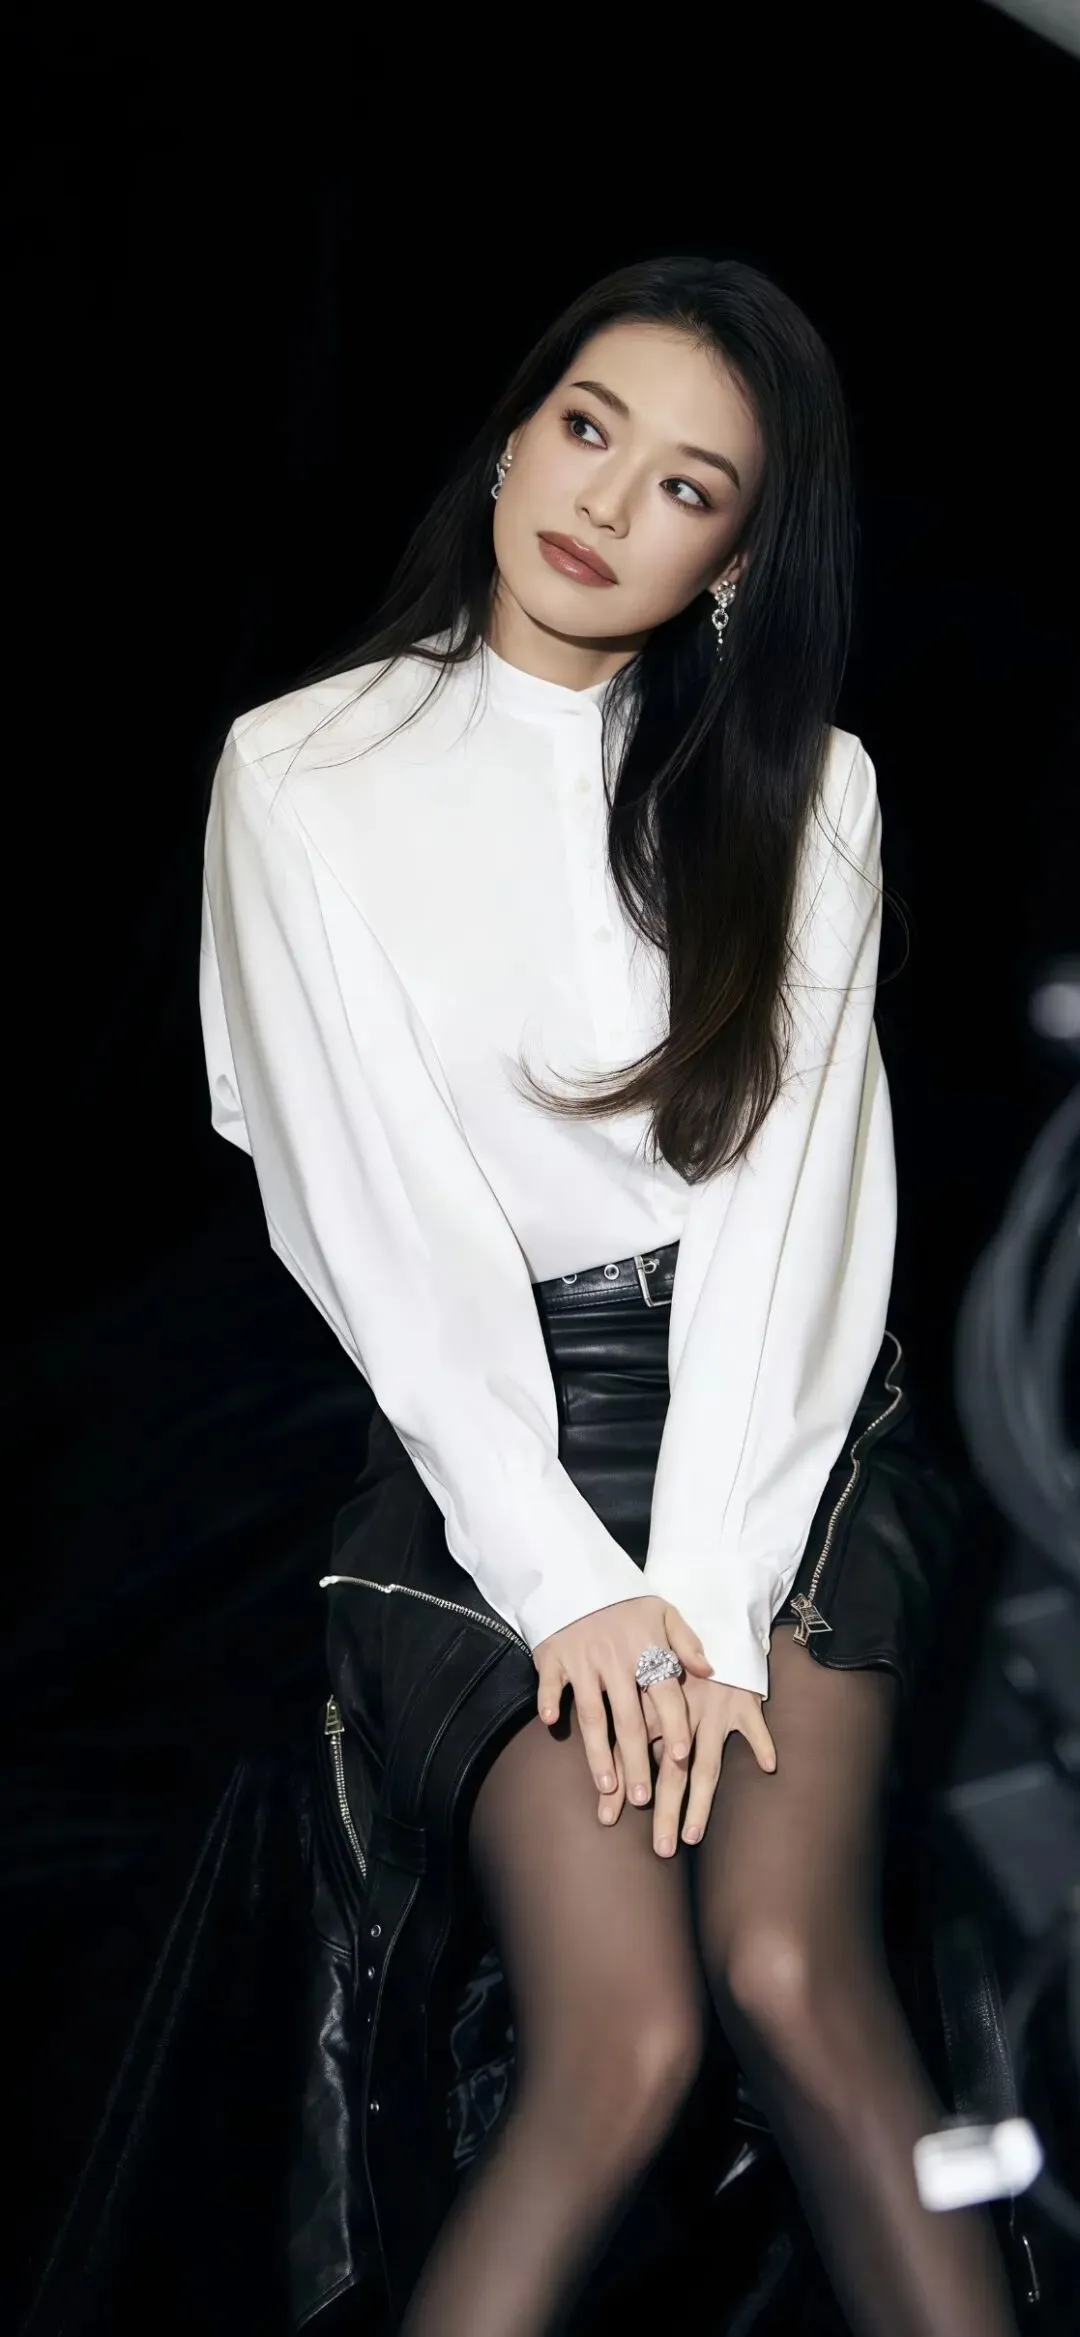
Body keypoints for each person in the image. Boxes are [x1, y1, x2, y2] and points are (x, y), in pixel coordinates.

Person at [199, 257, 1021, 2335]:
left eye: (685, 485)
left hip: (787, 1434)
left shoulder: (809, 789)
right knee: (626, 2040)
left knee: (789, 1969)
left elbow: (792, 1228)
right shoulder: (301, 772)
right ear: (512, 437)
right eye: (589, 428)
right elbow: (379, 1229)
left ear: (733, 560)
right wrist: (576, 1587)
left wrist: (711, 1601)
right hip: (489, 1446)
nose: (603, 500)